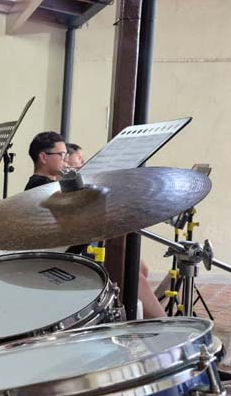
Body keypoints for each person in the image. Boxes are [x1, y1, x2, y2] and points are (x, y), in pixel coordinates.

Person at [22, 131, 165, 319]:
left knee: (138, 266)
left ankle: (140, 318)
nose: (66, 159)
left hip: (73, 250)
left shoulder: (52, 185)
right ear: (43, 157)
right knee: (131, 274)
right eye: (62, 155)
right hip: (65, 259)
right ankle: (159, 325)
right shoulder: (40, 189)